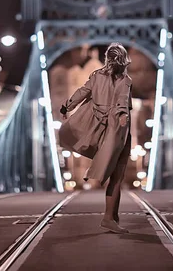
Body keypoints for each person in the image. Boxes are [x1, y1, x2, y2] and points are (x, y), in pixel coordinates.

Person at [59, 43, 133, 234]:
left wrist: (66, 107)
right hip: (117, 131)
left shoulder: (96, 76)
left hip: (100, 130)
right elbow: (122, 102)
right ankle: (108, 218)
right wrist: (123, 116)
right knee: (117, 176)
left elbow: (82, 92)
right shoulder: (125, 80)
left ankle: (113, 216)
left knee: (114, 173)